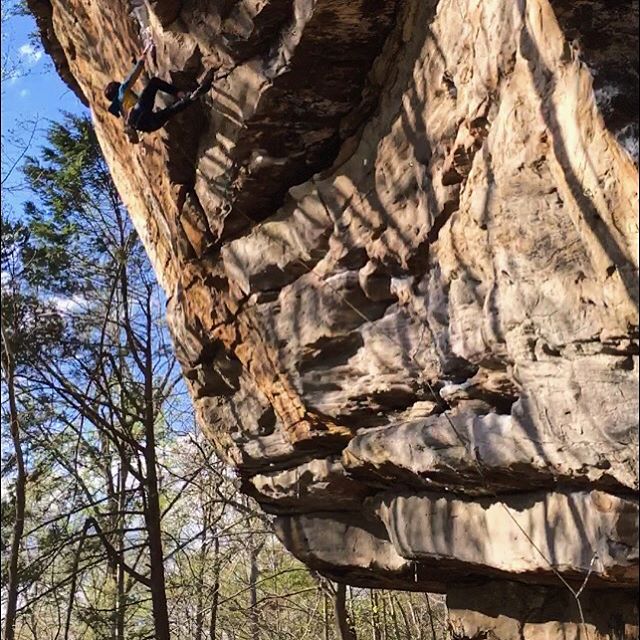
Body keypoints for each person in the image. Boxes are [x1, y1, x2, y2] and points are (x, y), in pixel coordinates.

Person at [104, 44, 213, 137]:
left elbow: (143, 99)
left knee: (170, 111)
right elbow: (132, 77)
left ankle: (190, 98)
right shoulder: (121, 92)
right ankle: (180, 93)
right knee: (154, 82)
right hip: (139, 112)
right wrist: (141, 59)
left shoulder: (122, 110)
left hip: (146, 126)